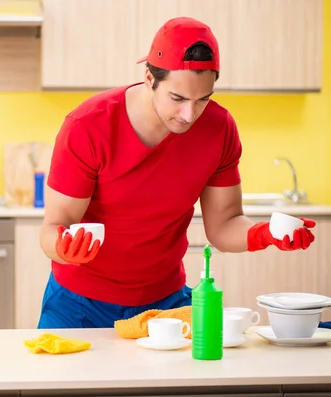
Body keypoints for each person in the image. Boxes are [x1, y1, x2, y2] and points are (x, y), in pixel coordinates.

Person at [38, 17, 316, 329]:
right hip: (79, 305)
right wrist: (65, 248)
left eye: (202, 100)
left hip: (166, 309)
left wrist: (264, 235)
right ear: (148, 78)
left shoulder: (219, 129)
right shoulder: (88, 125)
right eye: (178, 98)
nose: (189, 115)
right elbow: (54, 228)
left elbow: (224, 225)